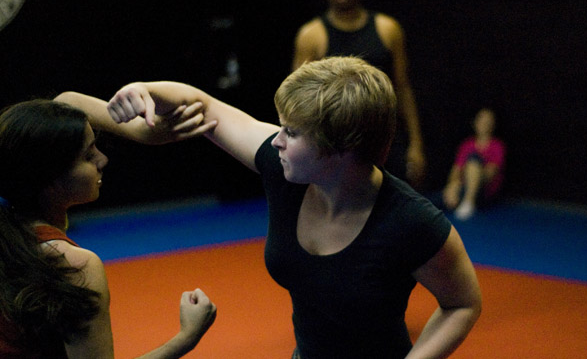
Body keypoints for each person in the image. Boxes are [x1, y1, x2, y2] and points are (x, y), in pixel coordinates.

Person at [60, 56, 482, 358]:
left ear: (342, 150)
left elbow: (463, 303)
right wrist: (146, 91)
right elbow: (205, 106)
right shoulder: (285, 170)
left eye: (292, 133)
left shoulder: (410, 222)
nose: (276, 140)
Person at [0, 99, 217, 358]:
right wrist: (187, 336)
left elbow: (64, 102)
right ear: (50, 179)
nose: (103, 159)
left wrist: (141, 130)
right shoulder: (73, 265)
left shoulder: (11, 231)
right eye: (88, 155)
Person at [292, 0, 426, 188]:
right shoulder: (311, 36)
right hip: (335, 147)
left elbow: (403, 88)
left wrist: (415, 144)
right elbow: (298, 101)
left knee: (394, 213)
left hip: (386, 141)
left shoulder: (388, 29)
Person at [442, 108, 506, 221]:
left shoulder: (497, 146)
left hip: (483, 193)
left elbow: (490, 175)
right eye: (481, 120)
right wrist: (453, 186)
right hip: (461, 187)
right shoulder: (466, 145)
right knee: (433, 201)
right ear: (475, 123)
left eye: (488, 121)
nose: (484, 124)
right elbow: (456, 170)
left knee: (473, 159)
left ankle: (468, 202)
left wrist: (473, 174)